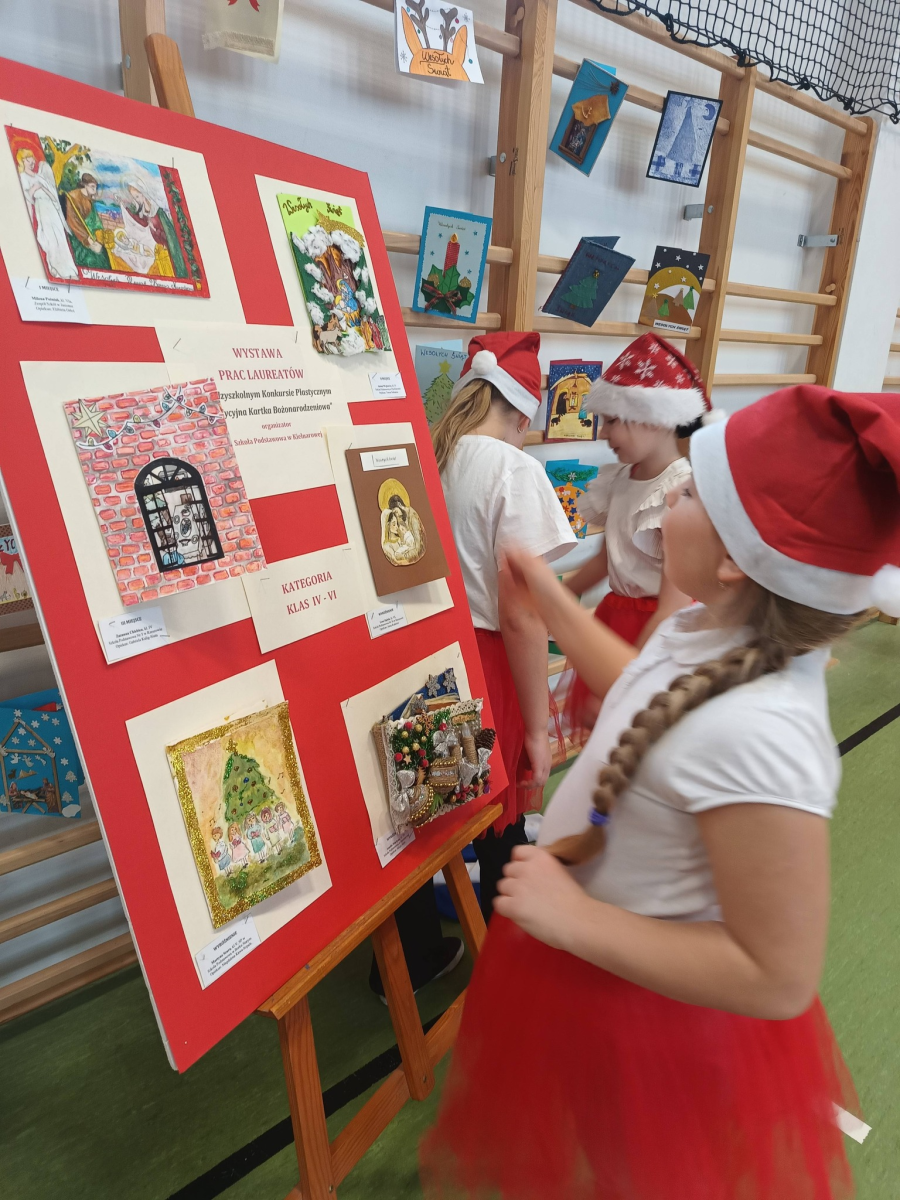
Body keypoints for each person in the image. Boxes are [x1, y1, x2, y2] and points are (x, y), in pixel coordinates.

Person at [422, 383, 900, 1198]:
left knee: (634, 1170)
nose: (669, 498)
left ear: (735, 558)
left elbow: (777, 974)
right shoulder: (705, 628)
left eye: (690, 494)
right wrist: (550, 600)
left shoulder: (764, 734)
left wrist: (574, 918)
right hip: (601, 971)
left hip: (654, 1013)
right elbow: (643, 690)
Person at [434, 331, 577, 917]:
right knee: (500, 811)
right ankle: (504, 943)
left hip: (434, 654)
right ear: (522, 414)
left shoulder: (434, 453)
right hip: (490, 663)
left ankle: (415, 953)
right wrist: (539, 732)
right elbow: (519, 616)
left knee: (437, 798)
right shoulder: (514, 469)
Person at [564, 332, 720, 735]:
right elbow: (606, 559)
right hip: (615, 623)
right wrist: (558, 593)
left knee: (641, 738)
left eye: (613, 421)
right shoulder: (620, 480)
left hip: (655, 640)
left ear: (653, 416)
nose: (603, 433)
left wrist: (622, 682)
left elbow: (671, 607)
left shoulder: (680, 492)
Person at [15, 146, 79, 281]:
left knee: (60, 236)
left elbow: (52, 193)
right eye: (28, 159)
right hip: (42, 209)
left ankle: (69, 269)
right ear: (22, 161)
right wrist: (35, 188)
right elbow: (28, 198)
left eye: (32, 158)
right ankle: (56, 267)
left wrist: (47, 192)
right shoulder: (23, 177)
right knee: (50, 237)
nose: (32, 161)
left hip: (51, 207)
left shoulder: (39, 175)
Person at [62, 173, 111, 271]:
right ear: (84, 185)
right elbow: (73, 222)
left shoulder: (89, 201)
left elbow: (96, 222)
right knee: (91, 260)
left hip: (91, 236)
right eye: (92, 186)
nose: (95, 190)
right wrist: (87, 240)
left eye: (96, 187)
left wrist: (99, 241)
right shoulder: (72, 197)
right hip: (77, 237)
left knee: (104, 256)